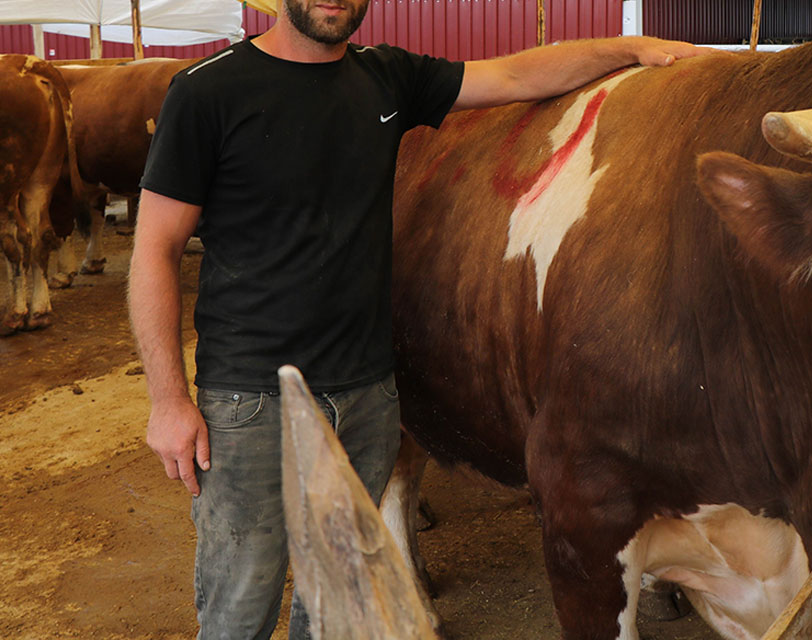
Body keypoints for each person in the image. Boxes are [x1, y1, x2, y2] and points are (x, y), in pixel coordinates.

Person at [127, 1, 707, 637]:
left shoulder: (385, 78)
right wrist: (168, 400)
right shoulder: (206, 91)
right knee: (241, 604)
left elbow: (516, 78)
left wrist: (632, 49)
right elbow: (154, 250)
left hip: (368, 399)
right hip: (250, 402)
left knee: (338, 608)